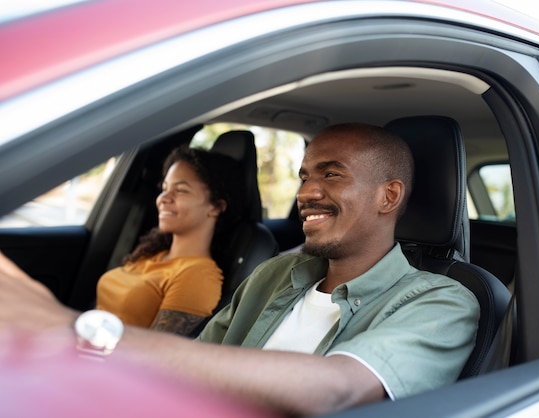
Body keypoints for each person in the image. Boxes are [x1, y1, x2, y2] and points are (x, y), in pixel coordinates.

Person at [0, 123, 479, 416]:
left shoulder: (441, 301)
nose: (307, 192)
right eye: (304, 176)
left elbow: (339, 391)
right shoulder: (277, 273)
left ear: (388, 196)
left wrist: (79, 333)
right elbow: (193, 364)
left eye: (331, 174)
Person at [97, 146, 244, 336]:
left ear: (216, 207)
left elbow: (157, 355)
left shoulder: (198, 276)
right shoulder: (153, 254)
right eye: (164, 188)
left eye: (181, 190)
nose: (163, 198)